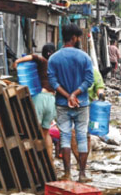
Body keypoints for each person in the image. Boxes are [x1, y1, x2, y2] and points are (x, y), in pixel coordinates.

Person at [48, 24, 94, 182]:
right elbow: (89, 80)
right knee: (81, 136)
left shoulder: (54, 58)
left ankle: (67, 173)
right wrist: (75, 94)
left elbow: (52, 82)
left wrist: (68, 96)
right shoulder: (84, 57)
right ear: (74, 38)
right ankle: (82, 174)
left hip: (62, 103)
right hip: (81, 103)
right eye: (78, 37)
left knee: (65, 137)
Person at [12, 44, 56, 162]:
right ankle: (49, 161)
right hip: (52, 100)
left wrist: (17, 61)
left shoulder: (43, 61)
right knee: (46, 133)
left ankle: (36, 161)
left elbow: (32, 57)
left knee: (34, 131)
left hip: (41, 97)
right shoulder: (57, 66)